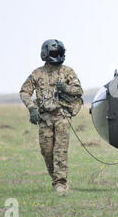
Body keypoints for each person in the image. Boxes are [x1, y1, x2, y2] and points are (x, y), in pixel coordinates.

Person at [20, 39, 83, 195]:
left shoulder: (68, 72)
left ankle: (61, 183)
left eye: (60, 53)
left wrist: (66, 88)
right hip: (44, 118)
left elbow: (79, 90)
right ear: (45, 54)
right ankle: (55, 179)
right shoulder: (37, 73)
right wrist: (32, 108)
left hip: (62, 116)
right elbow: (24, 92)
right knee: (47, 151)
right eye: (54, 53)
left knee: (60, 151)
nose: (58, 56)